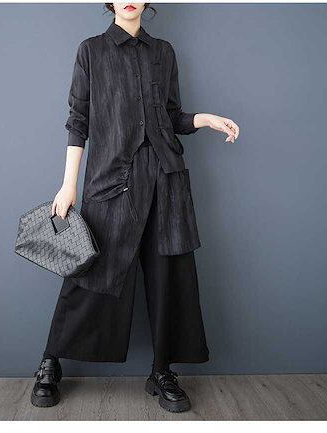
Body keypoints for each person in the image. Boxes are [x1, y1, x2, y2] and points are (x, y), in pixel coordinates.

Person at [31, 3, 239, 413]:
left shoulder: (164, 52)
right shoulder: (91, 50)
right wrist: (68, 184)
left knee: (167, 277)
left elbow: (172, 116)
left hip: (165, 177)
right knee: (91, 271)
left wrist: (203, 119)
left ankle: (162, 371)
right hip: (111, 181)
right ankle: (50, 361)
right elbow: (78, 120)